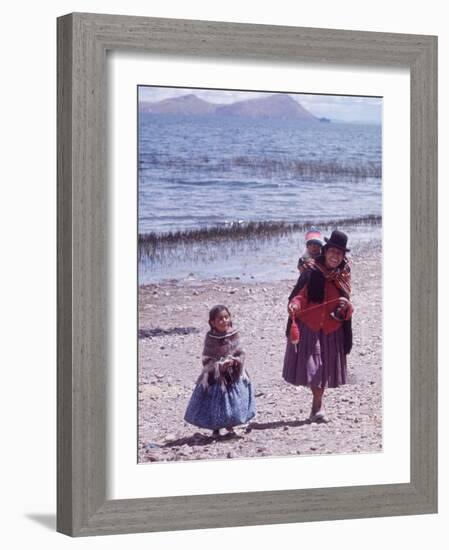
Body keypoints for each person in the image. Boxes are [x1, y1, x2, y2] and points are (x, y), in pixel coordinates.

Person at [283, 230, 353, 422]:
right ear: (326, 250)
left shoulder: (343, 277)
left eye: (339, 254)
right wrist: (295, 305)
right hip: (311, 327)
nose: (335, 256)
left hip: (332, 330)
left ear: (343, 256)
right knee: (314, 368)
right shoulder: (312, 271)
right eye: (332, 252)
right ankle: (317, 404)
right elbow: (300, 295)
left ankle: (316, 406)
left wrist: (347, 308)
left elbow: (345, 310)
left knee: (322, 369)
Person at [184, 305, 256, 437]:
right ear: (212, 322)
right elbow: (206, 358)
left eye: (226, 317)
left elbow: (241, 352)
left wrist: (234, 361)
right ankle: (215, 429)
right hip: (215, 376)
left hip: (232, 374)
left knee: (234, 400)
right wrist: (218, 366)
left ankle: (230, 424)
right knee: (215, 401)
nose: (224, 321)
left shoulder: (234, 334)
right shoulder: (210, 337)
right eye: (220, 319)